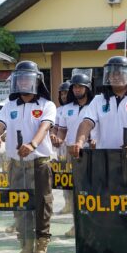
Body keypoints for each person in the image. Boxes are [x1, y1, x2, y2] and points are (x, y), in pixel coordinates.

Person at [0, 60, 56, 253]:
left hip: (39, 163)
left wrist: (33, 144)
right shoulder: (10, 106)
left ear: (37, 81)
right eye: (19, 78)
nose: (23, 82)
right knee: (20, 206)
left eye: (27, 78)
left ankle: (41, 248)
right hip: (16, 165)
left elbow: (45, 127)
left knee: (42, 205)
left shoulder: (47, 105)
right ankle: (26, 246)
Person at [71, 56, 127, 157]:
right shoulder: (98, 100)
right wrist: (79, 142)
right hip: (104, 157)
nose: (116, 77)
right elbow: (86, 123)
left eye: (120, 73)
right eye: (112, 73)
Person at [55, 70, 97, 238]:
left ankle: (93, 225)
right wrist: (56, 139)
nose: (77, 90)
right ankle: (77, 224)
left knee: (92, 191)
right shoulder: (66, 109)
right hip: (72, 154)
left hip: (92, 153)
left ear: (87, 88)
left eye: (81, 87)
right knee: (75, 191)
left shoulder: (95, 105)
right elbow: (62, 132)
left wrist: (95, 140)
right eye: (75, 87)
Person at [52, 80, 72, 215]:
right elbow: (54, 127)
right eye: (62, 93)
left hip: (75, 147)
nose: (64, 96)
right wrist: (53, 136)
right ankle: (68, 204)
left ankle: (73, 204)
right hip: (61, 149)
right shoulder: (58, 110)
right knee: (64, 177)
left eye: (66, 93)